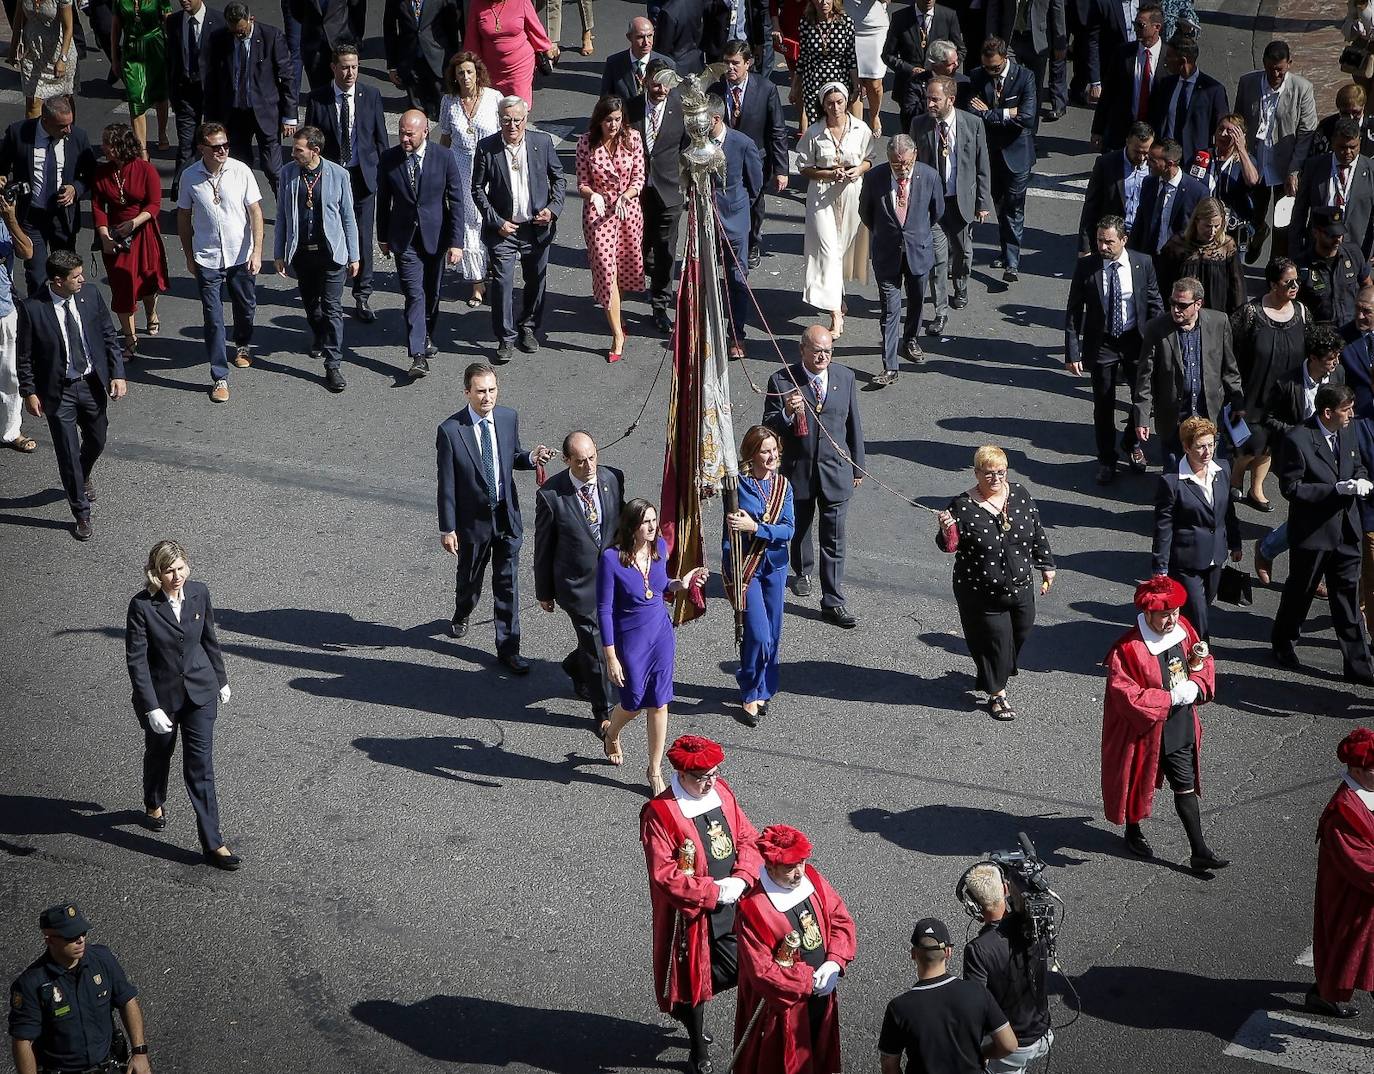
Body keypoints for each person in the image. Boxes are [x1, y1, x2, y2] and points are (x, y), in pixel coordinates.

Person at [640, 735, 762, 1074]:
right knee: (694, 982)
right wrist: (712, 892)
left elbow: (748, 838)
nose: (710, 782)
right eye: (701, 777)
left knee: (746, 966)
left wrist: (742, 877)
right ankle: (696, 1047)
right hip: (691, 918)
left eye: (714, 774)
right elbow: (665, 876)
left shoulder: (721, 792)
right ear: (680, 774)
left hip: (735, 905)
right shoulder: (659, 813)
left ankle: (682, 1006)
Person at [125, 539, 240, 869]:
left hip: (200, 693)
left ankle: (213, 843)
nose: (176, 576)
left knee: (200, 767)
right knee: (160, 752)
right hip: (163, 699)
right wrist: (151, 706)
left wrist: (221, 679)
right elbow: (137, 661)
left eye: (180, 568)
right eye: (168, 571)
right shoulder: (142, 606)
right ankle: (153, 800)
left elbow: (209, 639)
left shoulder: (200, 593)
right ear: (156, 573)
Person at [1102, 575, 1229, 870]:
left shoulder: (1184, 629)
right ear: (1147, 614)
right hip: (1144, 729)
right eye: (1164, 614)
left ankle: (1199, 849)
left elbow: (1203, 660)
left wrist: (1197, 684)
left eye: (1175, 612)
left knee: (1184, 786)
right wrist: (1168, 699)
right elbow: (1125, 695)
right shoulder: (1127, 649)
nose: (1172, 620)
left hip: (1179, 724)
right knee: (1136, 781)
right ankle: (1133, 830)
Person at [437, 362, 555, 674]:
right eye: (480, 391)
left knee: (508, 584)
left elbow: (511, 457)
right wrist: (447, 528)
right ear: (467, 392)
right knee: (470, 581)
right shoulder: (450, 431)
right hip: (473, 526)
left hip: (506, 518)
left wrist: (531, 457)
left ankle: (509, 649)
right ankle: (463, 611)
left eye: (491, 390)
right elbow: (446, 484)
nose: (487, 397)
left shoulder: (507, 418)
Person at [597, 498, 709, 795]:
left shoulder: (659, 546)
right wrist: (611, 657)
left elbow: (659, 586)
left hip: (660, 634)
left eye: (653, 519)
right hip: (631, 639)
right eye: (645, 521)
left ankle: (654, 769)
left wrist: (679, 585)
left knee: (659, 702)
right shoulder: (611, 559)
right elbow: (604, 610)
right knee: (633, 701)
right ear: (632, 526)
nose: (651, 526)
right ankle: (612, 732)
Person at [935, 445, 1055, 721]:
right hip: (981, 593)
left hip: (1020, 585)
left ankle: (996, 671)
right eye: (988, 474)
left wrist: (1047, 565)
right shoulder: (962, 506)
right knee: (996, 643)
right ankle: (997, 694)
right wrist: (946, 529)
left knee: (1021, 632)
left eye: (1000, 472)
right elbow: (949, 546)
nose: (996, 479)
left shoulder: (1020, 494)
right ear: (977, 473)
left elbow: (1036, 530)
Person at [15, 250, 126, 541]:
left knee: (97, 438)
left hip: (90, 383)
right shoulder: (33, 308)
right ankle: (81, 512)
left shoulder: (90, 295)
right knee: (66, 452)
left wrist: (118, 374)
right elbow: (24, 355)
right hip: (58, 391)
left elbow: (108, 336)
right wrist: (29, 392)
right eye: (75, 277)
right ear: (57, 281)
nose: (82, 279)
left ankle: (83, 471)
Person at [731, 824, 856, 1074]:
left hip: (821, 996)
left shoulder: (814, 880)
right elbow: (762, 972)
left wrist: (834, 961)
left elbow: (841, 919)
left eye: (800, 863)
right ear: (770, 867)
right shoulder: (752, 910)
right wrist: (809, 981)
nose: (799, 873)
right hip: (782, 1010)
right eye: (790, 867)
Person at [762, 325, 864, 627]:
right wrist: (787, 415)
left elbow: (853, 423)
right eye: (817, 351)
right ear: (802, 349)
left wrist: (857, 465)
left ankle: (833, 601)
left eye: (828, 351)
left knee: (834, 539)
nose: (823, 357)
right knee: (800, 527)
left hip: (835, 471)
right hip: (799, 470)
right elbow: (767, 428)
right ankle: (803, 570)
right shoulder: (782, 380)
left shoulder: (844, 377)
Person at [1272, 383, 1374, 684]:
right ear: (1327, 412)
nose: (1352, 414)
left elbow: (1358, 465)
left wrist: (1360, 481)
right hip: (1314, 533)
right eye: (1346, 409)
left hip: (1346, 530)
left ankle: (1359, 667)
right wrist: (1334, 491)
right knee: (1300, 592)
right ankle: (1283, 642)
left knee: (1347, 601)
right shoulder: (1298, 439)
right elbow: (1291, 488)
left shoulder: (1348, 430)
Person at [533, 430, 625, 733]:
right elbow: (543, 547)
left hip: (612, 579)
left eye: (592, 458)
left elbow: (620, 527)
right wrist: (544, 591)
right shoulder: (551, 495)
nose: (589, 467)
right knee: (598, 649)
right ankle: (603, 712)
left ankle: (575, 664)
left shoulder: (612, 479)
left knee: (613, 638)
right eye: (581, 461)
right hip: (577, 586)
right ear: (567, 460)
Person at [1064, 213, 1163, 484]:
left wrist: (1162, 341)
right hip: (1103, 342)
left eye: (1109, 242)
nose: (1103, 247)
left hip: (1135, 340)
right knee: (1103, 404)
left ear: (1124, 240)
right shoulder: (1087, 267)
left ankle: (1131, 443)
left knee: (1144, 397)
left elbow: (1154, 303)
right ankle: (1106, 460)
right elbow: (1073, 311)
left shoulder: (1143, 264)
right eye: (1099, 241)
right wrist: (1072, 352)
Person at [472, 96, 567, 363]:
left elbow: (558, 177)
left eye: (517, 120)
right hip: (504, 229)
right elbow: (477, 188)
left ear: (525, 120)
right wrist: (496, 221)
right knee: (502, 283)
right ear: (499, 120)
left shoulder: (542, 143)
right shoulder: (487, 147)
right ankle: (505, 337)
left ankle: (528, 327)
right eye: (506, 120)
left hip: (536, 227)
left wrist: (553, 209)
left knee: (536, 280)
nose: (512, 125)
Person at [176, 121, 264, 404]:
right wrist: (189, 256)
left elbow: (256, 213)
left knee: (245, 305)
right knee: (213, 318)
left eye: (226, 144)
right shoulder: (190, 177)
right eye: (216, 146)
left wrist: (257, 251)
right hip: (207, 257)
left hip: (240, 254)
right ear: (202, 148)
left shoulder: (241, 171)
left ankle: (242, 344)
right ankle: (219, 376)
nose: (223, 149)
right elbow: (183, 219)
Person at [7, 903, 152, 1073]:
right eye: (70, 936)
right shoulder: (31, 984)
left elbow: (127, 1000)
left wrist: (139, 1053)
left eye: (82, 933)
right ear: (49, 939)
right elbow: (23, 1041)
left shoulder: (102, 960)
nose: (80, 939)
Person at [304, 42, 391, 324]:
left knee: (363, 237)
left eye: (354, 66)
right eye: (345, 67)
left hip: (362, 175)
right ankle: (329, 291)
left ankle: (362, 295)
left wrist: (383, 172)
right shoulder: (319, 99)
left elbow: (380, 138)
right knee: (330, 234)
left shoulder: (371, 95)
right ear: (334, 68)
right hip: (331, 177)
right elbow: (310, 142)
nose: (351, 72)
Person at [1254, 328, 1347, 588]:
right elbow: (1268, 418)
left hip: (1329, 455)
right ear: (1313, 358)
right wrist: (1298, 434)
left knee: (1316, 513)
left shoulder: (1337, 375)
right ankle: (1272, 551)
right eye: (1330, 357)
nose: (1336, 362)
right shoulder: (1287, 383)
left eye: (1337, 356)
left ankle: (1275, 552)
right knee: (1310, 513)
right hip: (1297, 459)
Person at [376, 109, 465, 379]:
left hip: (435, 238)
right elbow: (384, 200)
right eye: (401, 132)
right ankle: (417, 355)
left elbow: (456, 201)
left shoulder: (443, 157)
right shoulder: (389, 159)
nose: (404, 138)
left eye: (409, 134)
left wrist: (456, 242)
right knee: (414, 294)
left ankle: (426, 333)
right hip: (404, 240)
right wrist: (382, 237)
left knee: (432, 293)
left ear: (425, 132)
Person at [273, 126, 360, 393]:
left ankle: (333, 365)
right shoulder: (288, 174)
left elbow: (348, 217)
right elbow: (282, 217)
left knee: (333, 307)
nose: (293, 153)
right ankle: (318, 334)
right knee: (312, 304)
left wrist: (354, 256)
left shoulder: (339, 175)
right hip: (302, 253)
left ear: (315, 151)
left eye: (298, 150)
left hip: (331, 253)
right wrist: (279, 253)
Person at [878, 916, 1017, 1074]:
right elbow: (1009, 1045)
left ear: (913, 954)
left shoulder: (898, 1008)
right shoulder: (977, 992)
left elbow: (889, 1066)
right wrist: (981, 1054)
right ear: (948, 952)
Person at [722, 425, 795, 726]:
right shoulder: (736, 486)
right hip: (747, 568)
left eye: (774, 449)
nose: (772, 456)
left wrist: (757, 528)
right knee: (758, 635)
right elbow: (729, 536)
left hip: (775, 568)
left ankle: (766, 687)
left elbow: (788, 529)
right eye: (765, 451)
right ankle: (750, 690)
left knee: (773, 634)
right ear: (750, 455)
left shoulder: (784, 486)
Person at [859, 133, 942, 382]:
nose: (902, 168)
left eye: (906, 163)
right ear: (889, 159)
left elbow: (936, 211)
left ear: (914, 155)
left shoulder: (929, 176)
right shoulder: (875, 178)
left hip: (918, 253)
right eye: (896, 164)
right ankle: (890, 366)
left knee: (916, 303)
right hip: (887, 255)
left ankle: (911, 340)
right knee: (890, 310)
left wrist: (916, 234)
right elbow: (866, 213)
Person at [1133, 276, 1244, 465]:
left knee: (1209, 473)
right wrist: (1142, 417)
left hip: (1208, 416)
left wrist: (1238, 403)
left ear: (1198, 304)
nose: (1176, 309)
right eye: (1173, 303)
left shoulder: (1219, 322)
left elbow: (1229, 368)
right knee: (1174, 476)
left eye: (1182, 305)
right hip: (1173, 418)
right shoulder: (1156, 328)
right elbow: (1145, 378)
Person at [1229, 257, 1310, 510]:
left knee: (1270, 446)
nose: (1295, 285)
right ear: (1273, 285)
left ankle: (1256, 489)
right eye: (1289, 282)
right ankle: (1235, 477)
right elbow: (1230, 351)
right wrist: (1234, 393)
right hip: (1255, 392)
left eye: (1298, 279)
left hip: (1286, 394)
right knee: (1252, 445)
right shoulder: (1250, 313)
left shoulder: (1303, 313)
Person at [1151, 417, 1241, 640]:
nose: (1207, 451)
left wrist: (1235, 542)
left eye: (1211, 444)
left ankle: (1183, 642)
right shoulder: (1172, 481)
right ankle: (1201, 654)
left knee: (1202, 606)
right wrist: (1160, 567)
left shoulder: (1223, 469)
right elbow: (1164, 527)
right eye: (1201, 446)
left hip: (1216, 555)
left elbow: (1228, 510)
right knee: (1198, 612)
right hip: (1186, 561)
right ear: (1186, 447)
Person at [958, 865, 1054, 1073]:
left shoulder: (978, 949)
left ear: (973, 907)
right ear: (1005, 888)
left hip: (1012, 1048)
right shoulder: (1037, 925)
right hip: (1043, 1034)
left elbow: (975, 1008)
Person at [910, 74, 991, 317]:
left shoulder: (972, 124)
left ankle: (961, 286)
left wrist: (982, 203)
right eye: (928, 99)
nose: (930, 104)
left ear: (951, 100)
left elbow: (982, 164)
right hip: (932, 204)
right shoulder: (919, 124)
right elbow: (912, 165)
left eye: (935, 99)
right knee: (937, 259)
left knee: (963, 253)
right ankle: (940, 311)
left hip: (960, 201)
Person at [798, 83, 874, 338]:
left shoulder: (860, 129)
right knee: (828, 252)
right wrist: (829, 174)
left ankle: (837, 297)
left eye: (840, 102)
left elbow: (869, 158)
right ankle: (835, 315)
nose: (836, 107)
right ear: (823, 105)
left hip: (852, 195)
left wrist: (857, 170)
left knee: (843, 251)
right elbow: (804, 167)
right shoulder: (814, 133)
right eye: (830, 103)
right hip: (822, 197)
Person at [1308, 726, 1374, 1019]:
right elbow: (1363, 865)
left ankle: (1322, 994)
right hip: (1354, 899)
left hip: (1363, 899)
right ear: (1357, 770)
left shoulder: (1367, 793)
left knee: (1344, 953)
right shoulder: (1343, 813)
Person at [0, 97, 97, 295]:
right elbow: (2, 165)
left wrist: (75, 189)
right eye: (62, 126)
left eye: (70, 124)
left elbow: (92, 174)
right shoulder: (19, 133)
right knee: (37, 275)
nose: (68, 130)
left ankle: (66, 315)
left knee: (66, 273)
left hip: (62, 218)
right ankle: (39, 317)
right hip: (31, 216)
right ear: (45, 120)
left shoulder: (78, 137)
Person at [1233, 40, 1317, 264]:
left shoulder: (1302, 89)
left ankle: (1274, 270)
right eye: (1271, 69)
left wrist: (1294, 171)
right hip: (1256, 165)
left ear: (1289, 64)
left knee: (1283, 224)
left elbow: (1306, 133)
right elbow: (1238, 120)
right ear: (1264, 64)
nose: (1275, 74)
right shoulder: (1248, 83)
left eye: (1280, 69)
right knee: (1252, 216)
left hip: (1285, 168)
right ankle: (1259, 233)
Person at [576, 95, 645, 363]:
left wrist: (627, 195)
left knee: (625, 267)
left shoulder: (633, 138)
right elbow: (582, 181)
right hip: (599, 213)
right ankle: (617, 332)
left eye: (617, 119)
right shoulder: (585, 142)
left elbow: (639, 175)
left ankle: (617, 310)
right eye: (608, 120)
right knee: (606, 269)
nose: (614, 125)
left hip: (627, 210)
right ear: (599, 120)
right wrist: (591, 195)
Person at [92, 122, 168, 364]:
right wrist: (104, 236)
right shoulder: (102, 173)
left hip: (142, 232)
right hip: (115, 237)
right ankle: (130, 339)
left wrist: (134, 223)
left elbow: (154, 204)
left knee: (146, 283)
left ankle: (151, 311)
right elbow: (98, 207)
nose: (104, 148)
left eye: (108, 144)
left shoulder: (145, 170)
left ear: (121, 146)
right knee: (122, 287)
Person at [204, 3, 296, 197]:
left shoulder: (271, 37)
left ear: (251, 19)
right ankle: (244, 212)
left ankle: (285, 214)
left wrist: (289, 116)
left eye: (242, 31)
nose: (238, 35)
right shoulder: (220, 39)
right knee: (239, 167)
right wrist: (211, 121)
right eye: (234, 31)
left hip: (265, 113)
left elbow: (287, 77)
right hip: (235, 114)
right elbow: (213, 81)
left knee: (273, 168)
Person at [712, 39, 789, 268]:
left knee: (754, 201)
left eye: (735, 63)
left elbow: (777, 130)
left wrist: (781, 169)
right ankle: (723, 243)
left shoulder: (766, 89)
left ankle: (752, 243)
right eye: (726, 63)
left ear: (748, 63)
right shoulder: (715, 89)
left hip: (756, 158)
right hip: (722, 158)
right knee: (723, 201)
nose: (730, 69)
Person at [437, 54, 504, 310]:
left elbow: (505, 136)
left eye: (469, 72)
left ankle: (495, 269)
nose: (465, 77)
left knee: (492, 218)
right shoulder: (449, 102)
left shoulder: (493, 98)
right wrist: (440, 170)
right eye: (460, 73)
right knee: (469, 221)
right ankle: (477, 282)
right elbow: (445, 138)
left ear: (478, 74)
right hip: (461, 168)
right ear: (454, 76)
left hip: (490, 168)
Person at [969, 37, 1036, 283]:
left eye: (995, 68)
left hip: (1017, 154)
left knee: (1014, 206)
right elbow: (973, 112)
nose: (990, 72)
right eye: (987, 67)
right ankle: (1005, 249)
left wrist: (991, 113)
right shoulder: (977, 76)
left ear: (1005, 59)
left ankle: (1012, 262)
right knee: (998, 204)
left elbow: (1028, 116)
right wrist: (1009, 113)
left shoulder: (1024, 77)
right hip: (990, 153)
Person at [628, 61, 686, 337]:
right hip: (636, 192)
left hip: (669, 190)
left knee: (666, 250)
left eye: (666, 83)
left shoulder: (683, 109)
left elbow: (689, 148)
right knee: (638, 244)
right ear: (644, 79)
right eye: (656, 82)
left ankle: (660, 304)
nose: (661, 89)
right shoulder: (630, 108)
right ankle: (639, 281)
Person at [703, 96, 764, 359]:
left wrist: (737, 209)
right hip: (704, 218)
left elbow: (756, 183)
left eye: (701, 118)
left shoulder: (742, 143)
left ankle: (736, 334)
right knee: (704, 277)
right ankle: (705, 332)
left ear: (716, 119)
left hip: (734, 221)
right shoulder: (696, 142)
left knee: (736, 279)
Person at [166, 0, 227, 199]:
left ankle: (218, 192)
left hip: (212, 94)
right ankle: (183, 197)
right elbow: (170, 58)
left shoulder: (218, 21)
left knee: (215, 146)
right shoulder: (173, 21)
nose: (184, 0)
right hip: (185, 93)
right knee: (186, 146)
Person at [1290, 117, 1374, 260]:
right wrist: (1296, 252)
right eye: (1342, 147)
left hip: (1356, 254)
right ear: (1333, 142)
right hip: (1318, 249)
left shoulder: (1371, 170)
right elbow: (1300, 211)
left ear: (1359, 141)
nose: (1348, 152)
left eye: (1353, 147)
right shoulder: (1314, 166)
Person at [882, 1, 965, 133]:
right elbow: (888, 55)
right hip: (910, 87)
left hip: (942, 84)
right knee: (912, 131)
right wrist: (911, 70)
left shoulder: (948, 15)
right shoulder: (901, 17)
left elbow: (960, 51)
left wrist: (947, 69)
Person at [1090, 2, 1162, 153]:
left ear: (1157, 27)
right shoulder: (1123, 53)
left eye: (1141, 25)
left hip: (1156, 134)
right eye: (1135, 24)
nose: (1135, 29)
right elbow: (1108, 94)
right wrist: (1098, 129)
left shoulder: (1169, 58)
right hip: (1123, 131)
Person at [1147, 32, 1228, 165]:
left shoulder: (1213, 90)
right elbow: (1155, 118)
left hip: (1195, 160)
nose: (1165, 61)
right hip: (1165, 159)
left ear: (1183, 61)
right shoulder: (1166, 84)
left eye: (1169, 57)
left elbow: (1220, 128)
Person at [1156, 198, 1244, 314]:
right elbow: (1162, 283)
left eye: (1217, 226)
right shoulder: (1177, 245)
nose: (1212, 231)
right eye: (1207, 226)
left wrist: (1237, 317)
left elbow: (1237, 286)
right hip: (1182, 313)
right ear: (1196, 221)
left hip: (1215, 315)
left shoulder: (1226, 246)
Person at [986, 0, 1068, 123]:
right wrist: (991, 40)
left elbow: (1057, 9)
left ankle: (1030, 132)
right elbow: (994, 7)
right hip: (1010, 39)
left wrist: (1060, 44)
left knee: (1034, 89)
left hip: (1038, 40)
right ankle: (1010, 130)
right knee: (1009, 85)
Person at [1077, 121, 1154, 254]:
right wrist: (1085, 247)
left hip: (1141, 240)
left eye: (1146, 152)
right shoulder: (1106, 164)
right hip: (1114, 238)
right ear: (1127, 142)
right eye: (1137, 151)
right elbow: (1091, 207)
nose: (1141, 158)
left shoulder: (1155, 166)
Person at [382, 0, 464, 120]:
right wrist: (392, 65)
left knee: (443, 110)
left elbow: (451, 28)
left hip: (437, 60)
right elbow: (390, 30)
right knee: (416, 113)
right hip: (409, 61)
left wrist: (453, 61)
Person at [1127, 136, 1206, 259]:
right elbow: (1140, 222)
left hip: (1178, 260)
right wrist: (1131, 254)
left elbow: (1199, 233)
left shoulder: (1197, 192)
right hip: (1148, 258)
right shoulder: (1149, 182)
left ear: (1169, 164)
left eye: (1153, 160)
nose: (1147, 163)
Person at [466, 0, 557, 107]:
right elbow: (471, 38)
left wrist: (546, 48)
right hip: (490, 70)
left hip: (520, 65)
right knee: (494, 109)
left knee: (518, 107)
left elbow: (534, 27)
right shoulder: (477, 4)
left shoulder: (521, 2)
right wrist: (471, 65)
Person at [111, 0, 172, 153]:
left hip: (155, 47)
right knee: (135, 97)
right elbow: (116, 28)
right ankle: (142, 148)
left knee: (160, 93)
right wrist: (114, 59)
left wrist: (174, 51)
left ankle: (162, 132)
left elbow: (168, 21)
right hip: (132, 52)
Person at [1297, 207, 1373, 327]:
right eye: (1331, 234)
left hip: (1351, 328)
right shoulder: (1301, 265)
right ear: (1316, 232)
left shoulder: (1353, 254)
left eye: (1340, 234)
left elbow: (1368, 286)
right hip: (1320, 333)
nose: (1337, 239)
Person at [0, 192, 34, 456]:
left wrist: (11, 219)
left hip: (4, 310)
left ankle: (12, 431)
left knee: (11, 375)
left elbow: (27, 251)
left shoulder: (4, 221)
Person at [796, 0, 857, 134]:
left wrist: (856, 85)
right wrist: (795, 86)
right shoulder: (806, 22)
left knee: (838, 121)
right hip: (813, 81)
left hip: (839, 81)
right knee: (817, 126)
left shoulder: (845, 22)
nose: (824, 2)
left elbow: (851, 57)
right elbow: (802, 57)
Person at [1205, 113, 1261, 260]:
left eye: (1230, 131)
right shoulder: (1203, 157)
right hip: (1206, 227)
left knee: (1234, 277)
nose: (1223, 134)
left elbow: (1252, 181)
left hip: (1233, 228)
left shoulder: (1244, 161)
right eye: (1220, 129)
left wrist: (1241, 149)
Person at [8, 0, 77, 118]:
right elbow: (18, 18)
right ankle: (34, 135)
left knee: (62, 103)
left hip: (57, 53)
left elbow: (68, 27)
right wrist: (13, 47)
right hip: (32, 53)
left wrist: (62, 59)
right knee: (32, 103)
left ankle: (65, 132)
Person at [285, 0, 365, 93]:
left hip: (342, 42)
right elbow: (296, 10)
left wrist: (355, 40)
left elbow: (357, 10)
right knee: (319, 95)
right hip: (314, 46)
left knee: (345, 94)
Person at [901, 36, 972, 123]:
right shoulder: (916, 83)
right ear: (935, 65)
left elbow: (969, 114)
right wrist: (933, 99)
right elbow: (909, 114)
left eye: (956, 60)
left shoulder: (964, 83)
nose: (957, 65)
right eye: (951, 64)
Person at [844, 0, 889, 135]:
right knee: (853, 81)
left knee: (874, 84)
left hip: (875, 27)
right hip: (849, 23)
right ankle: (858, 129)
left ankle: (874, 115)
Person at [603, 16, 673, 101]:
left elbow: (672, 101)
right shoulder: (614, 63)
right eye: (640, 37)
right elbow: (605, 101)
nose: (646, 42)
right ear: (629, 37)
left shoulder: (668, 64)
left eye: (649, 36)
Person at [1314, 83, 1374, 160]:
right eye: (1345, 113)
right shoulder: (1326, 126)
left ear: (1363, 106)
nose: (1351, 117)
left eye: (1356, 112)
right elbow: (1317, 159)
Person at [655, 0, 708, 77]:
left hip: (676, 68)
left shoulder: (668, 11)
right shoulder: (697, 2)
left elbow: (662, 48)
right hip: (696, 62)